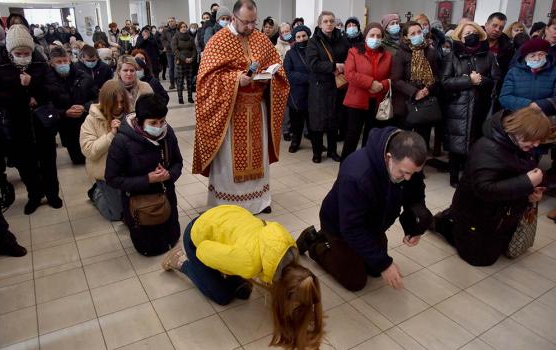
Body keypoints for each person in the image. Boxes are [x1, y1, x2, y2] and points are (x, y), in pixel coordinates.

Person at [161, 205, 324, 349]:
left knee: (243, 290)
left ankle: (224, 265)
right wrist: (227, 266)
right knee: (222, 295)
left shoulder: (289, 247)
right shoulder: (248, 262)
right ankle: (180, 260)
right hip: (198, 234)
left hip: (228, 216)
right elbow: (203, 250)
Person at [296, 129, 431, 291]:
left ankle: (354, 254)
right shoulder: (357, 175)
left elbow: (416, 193)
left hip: (374, 222)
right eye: (404, 173)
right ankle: (315, 242)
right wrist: (385, 265)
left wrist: (415, 226)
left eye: (413, 173)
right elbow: (351, 228)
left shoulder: (407, 162)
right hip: (339, 224)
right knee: (355, 281)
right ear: (388, 157)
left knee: (374, 269)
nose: (408, 178)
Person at [193, 0, 289, 215]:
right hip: (230, 112)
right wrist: (236, 79)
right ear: (234, 18)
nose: (251, 27)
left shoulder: (261, 38)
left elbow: (278, 68)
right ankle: (228, 204)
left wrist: (269, 77)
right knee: (229, 159)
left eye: (254, 21)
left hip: (257, 109)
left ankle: (260, 201)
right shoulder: (218, 41)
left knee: (258, 154)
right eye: (246, 22)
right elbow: (205, 80)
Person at [433, 107, 551, 266]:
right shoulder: (486, 148)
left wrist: (530, 193)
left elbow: (513, 178)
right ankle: (445, 223)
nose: (536, 144)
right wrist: (527, 182)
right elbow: (484, 189)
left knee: (495, 250)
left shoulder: (519, 145)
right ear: (519, 130)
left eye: (539, 140)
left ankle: (452, 221)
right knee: (480, 260)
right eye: (534, 139)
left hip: (500, 215)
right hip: (477, 215)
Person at [0, 24, 62, 215]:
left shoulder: (40, 62)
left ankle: (52, 194)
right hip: (16, 123)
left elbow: (54, 89)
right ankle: (34, 195)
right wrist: (21, 93)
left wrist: (33, 85)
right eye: (19, 52)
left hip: (42, 121)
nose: (24, 56)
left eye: (27, 52)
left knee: (48, 160)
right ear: (10, 51)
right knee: (26, 164)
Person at [106, 94, 183, 256]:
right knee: (150, 244)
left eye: (162, 121)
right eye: (153, 123)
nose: (159, 126)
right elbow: (112, 178)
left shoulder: (167, 134)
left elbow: (178, 163)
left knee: (172, 233)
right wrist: (147, 179)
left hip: (166, 194)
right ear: (140, 121)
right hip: (140, 203)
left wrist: (169, 175)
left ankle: (171, 239)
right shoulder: (122, 141)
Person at [442, 21, 500, 187]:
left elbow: (496, 80)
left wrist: (481, 80)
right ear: (460, 37)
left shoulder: (488, 56)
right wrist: (468, 80)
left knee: (476, 144)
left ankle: (470, 176)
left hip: (480, 107)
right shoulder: (452, 56)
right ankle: (454, 177)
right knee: (456, 144)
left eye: (473, 32)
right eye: (466, 33)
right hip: (457, 106)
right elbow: (445, 82)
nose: (470, 36)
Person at [341, 23, 393, 162]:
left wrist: (382, 85)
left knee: (371, 137)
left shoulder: (388, 56)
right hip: (357, 102)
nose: (375, 38)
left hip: (377, 102)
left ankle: (365, 165)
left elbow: (393, 77)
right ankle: (346, 165)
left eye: (378, 36)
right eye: (372, 35)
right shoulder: (354, 52)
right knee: (352, 136)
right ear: (365, 37)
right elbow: (349, 74)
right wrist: (370, 83)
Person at [80, 80, 128, 221]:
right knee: (116, 214)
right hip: (105, 174)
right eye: (115, 103)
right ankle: (96, 192)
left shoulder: (130, 115)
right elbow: (89, 151)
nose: (119, 107)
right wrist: (111, 135)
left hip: (127, 171)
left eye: (122, 102)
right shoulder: (91, 120)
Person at [306, 10, 349, 163]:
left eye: (332, 21)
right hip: (319, 87)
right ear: (319, 24)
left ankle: (332, 151)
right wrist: (333, 66)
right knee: (317, 122)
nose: (329, 24)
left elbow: (349, 57)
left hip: (338, 86)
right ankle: (317, 152)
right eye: (326, 21)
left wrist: (345, 66)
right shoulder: (313, 41)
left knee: (334, 121)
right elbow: (312, 63)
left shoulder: (342, 39)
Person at [391, 21, 441, 147]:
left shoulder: (431, 52)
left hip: (425, 103)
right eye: (413, 33)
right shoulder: (401, 53)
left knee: (422, 141)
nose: (417, 35)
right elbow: (396, 80)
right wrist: (415, 92)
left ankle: (419, 166)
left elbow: (437, 76)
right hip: (405, 103)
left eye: (419, 32)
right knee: (403, 142)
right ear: (406, 37)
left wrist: (428, 89)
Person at [49, 47, 98, 165]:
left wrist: (85, 107)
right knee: (78, 160)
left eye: (65, 61)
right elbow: (47, 107)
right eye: (59, 62)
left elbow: (97, 98)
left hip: (86, 121)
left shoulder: (84, 77)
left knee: (93, 156)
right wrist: (64, 112)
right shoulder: (48, 82)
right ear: (51, 64)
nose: (63, 64)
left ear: (70, 60)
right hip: (66, 125)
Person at [499, 38, 556, 116]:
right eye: (532, 56)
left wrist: (541, 105)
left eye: (541, 54)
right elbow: (504, 97)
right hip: (518, 116)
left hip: (546, 117)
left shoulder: (554, 72)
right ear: (525, 58)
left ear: (546, 55)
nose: (537, 58)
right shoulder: (514, 72)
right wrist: (528, 104)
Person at [284, 25, 311, 153]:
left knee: (313, 121)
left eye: (304, 36)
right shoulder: (290, 54)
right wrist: (307, 78)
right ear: (295, 38)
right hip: (296, 93)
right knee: (296, 121)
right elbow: (288, 73)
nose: (301, 39)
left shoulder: (314, 51)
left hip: (313, 92)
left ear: (308, 36)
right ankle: (296, 141)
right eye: (298, 37)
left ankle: (316, 142)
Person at [172, 21, 197, 104]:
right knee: (180, 81)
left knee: (189, 80)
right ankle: (180, 97)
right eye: (182, 27)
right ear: (179, 28)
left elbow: (194, 49)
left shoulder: (190, 38)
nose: (184, 28)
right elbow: (175, 50)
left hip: (189, 62)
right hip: (180, 62)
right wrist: (184, 58)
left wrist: (192, 58)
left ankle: (190, 97)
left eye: (185, 27)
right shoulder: (175, 37)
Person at [484, 12, 514, 82]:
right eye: (494, 26)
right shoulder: (475, 39)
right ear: (486, 25)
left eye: (501, 28)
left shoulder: (507, 46)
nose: (497, 30)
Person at [161, 17, 178, 89]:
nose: (170, 22)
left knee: (177, 67)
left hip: (177, 51)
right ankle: (172, 83)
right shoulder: (165, 30)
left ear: (175, 21)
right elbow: (163, 40)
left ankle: (179, 83)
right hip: (169, 51)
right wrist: (168, 45)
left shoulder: (178, 29)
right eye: (169, 21)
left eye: (172, 21)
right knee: (171, 68)